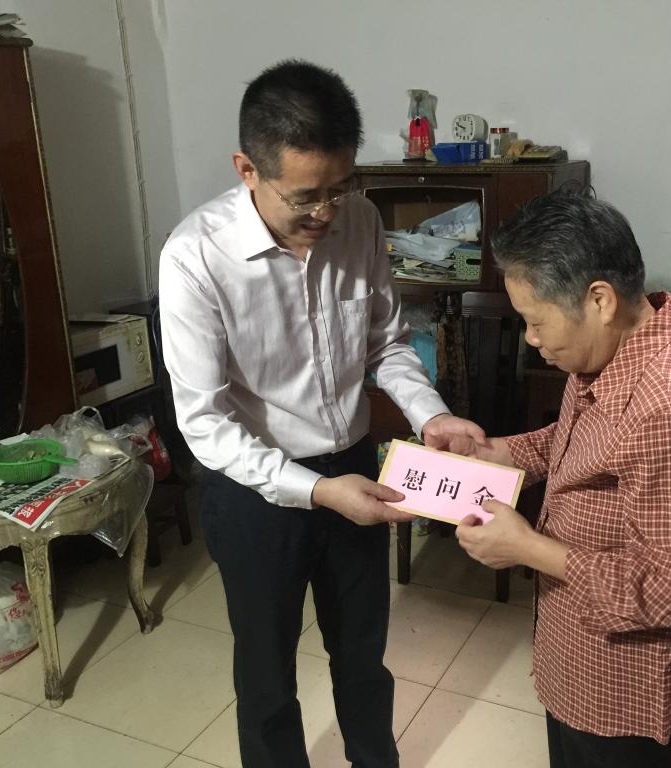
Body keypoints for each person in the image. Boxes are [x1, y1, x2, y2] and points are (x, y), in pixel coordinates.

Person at [158, 60, 483, 768]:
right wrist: (316, 491)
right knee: (267, 675)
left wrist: (428, 415)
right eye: (306, 197)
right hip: (254, 491)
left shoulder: (360, 220)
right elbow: (205, 423)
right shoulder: (194, 258)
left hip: (354, 466)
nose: (327, 213)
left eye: (341, 187)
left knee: (363, 656)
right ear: (247, 169)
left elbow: (387, 343)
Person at [448, 188, 671, 768]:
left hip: (629, 687)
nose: (531, 339)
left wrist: (527, 548)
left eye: (535, 321)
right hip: (582, 653)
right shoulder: (617, 351)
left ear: (599, 299)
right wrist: (501, 453)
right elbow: (583, 442)